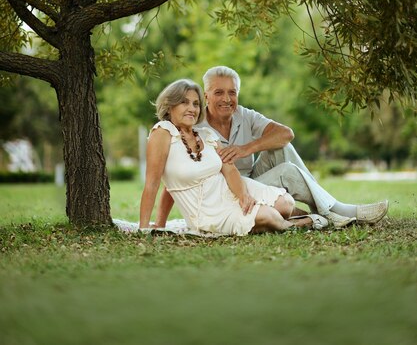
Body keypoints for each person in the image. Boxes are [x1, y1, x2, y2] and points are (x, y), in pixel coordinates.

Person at [194, 66, 389, 228]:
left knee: (281, 147)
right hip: (228, 193)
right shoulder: (196, 127)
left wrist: (246, 148)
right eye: (219, 92)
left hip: (253, 180)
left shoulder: (243, 115)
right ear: (206, 96)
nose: (227, 99)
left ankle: (326, 208)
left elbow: (286, 134)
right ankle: (334, 209)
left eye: (232, 92)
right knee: (288, 171)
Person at [139, 79, 329, 235]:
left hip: (229, 190)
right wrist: (145, 227)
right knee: (270, 216)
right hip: (206, 210)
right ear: (170, 106)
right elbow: (153, 183)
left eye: (196, 104)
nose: (192, 108)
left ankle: (271, 220)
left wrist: (243, 197)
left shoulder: (205, 135)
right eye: (184, 102)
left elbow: (229, 169)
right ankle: (298, 224)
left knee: (286, 203)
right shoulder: (163, 133)